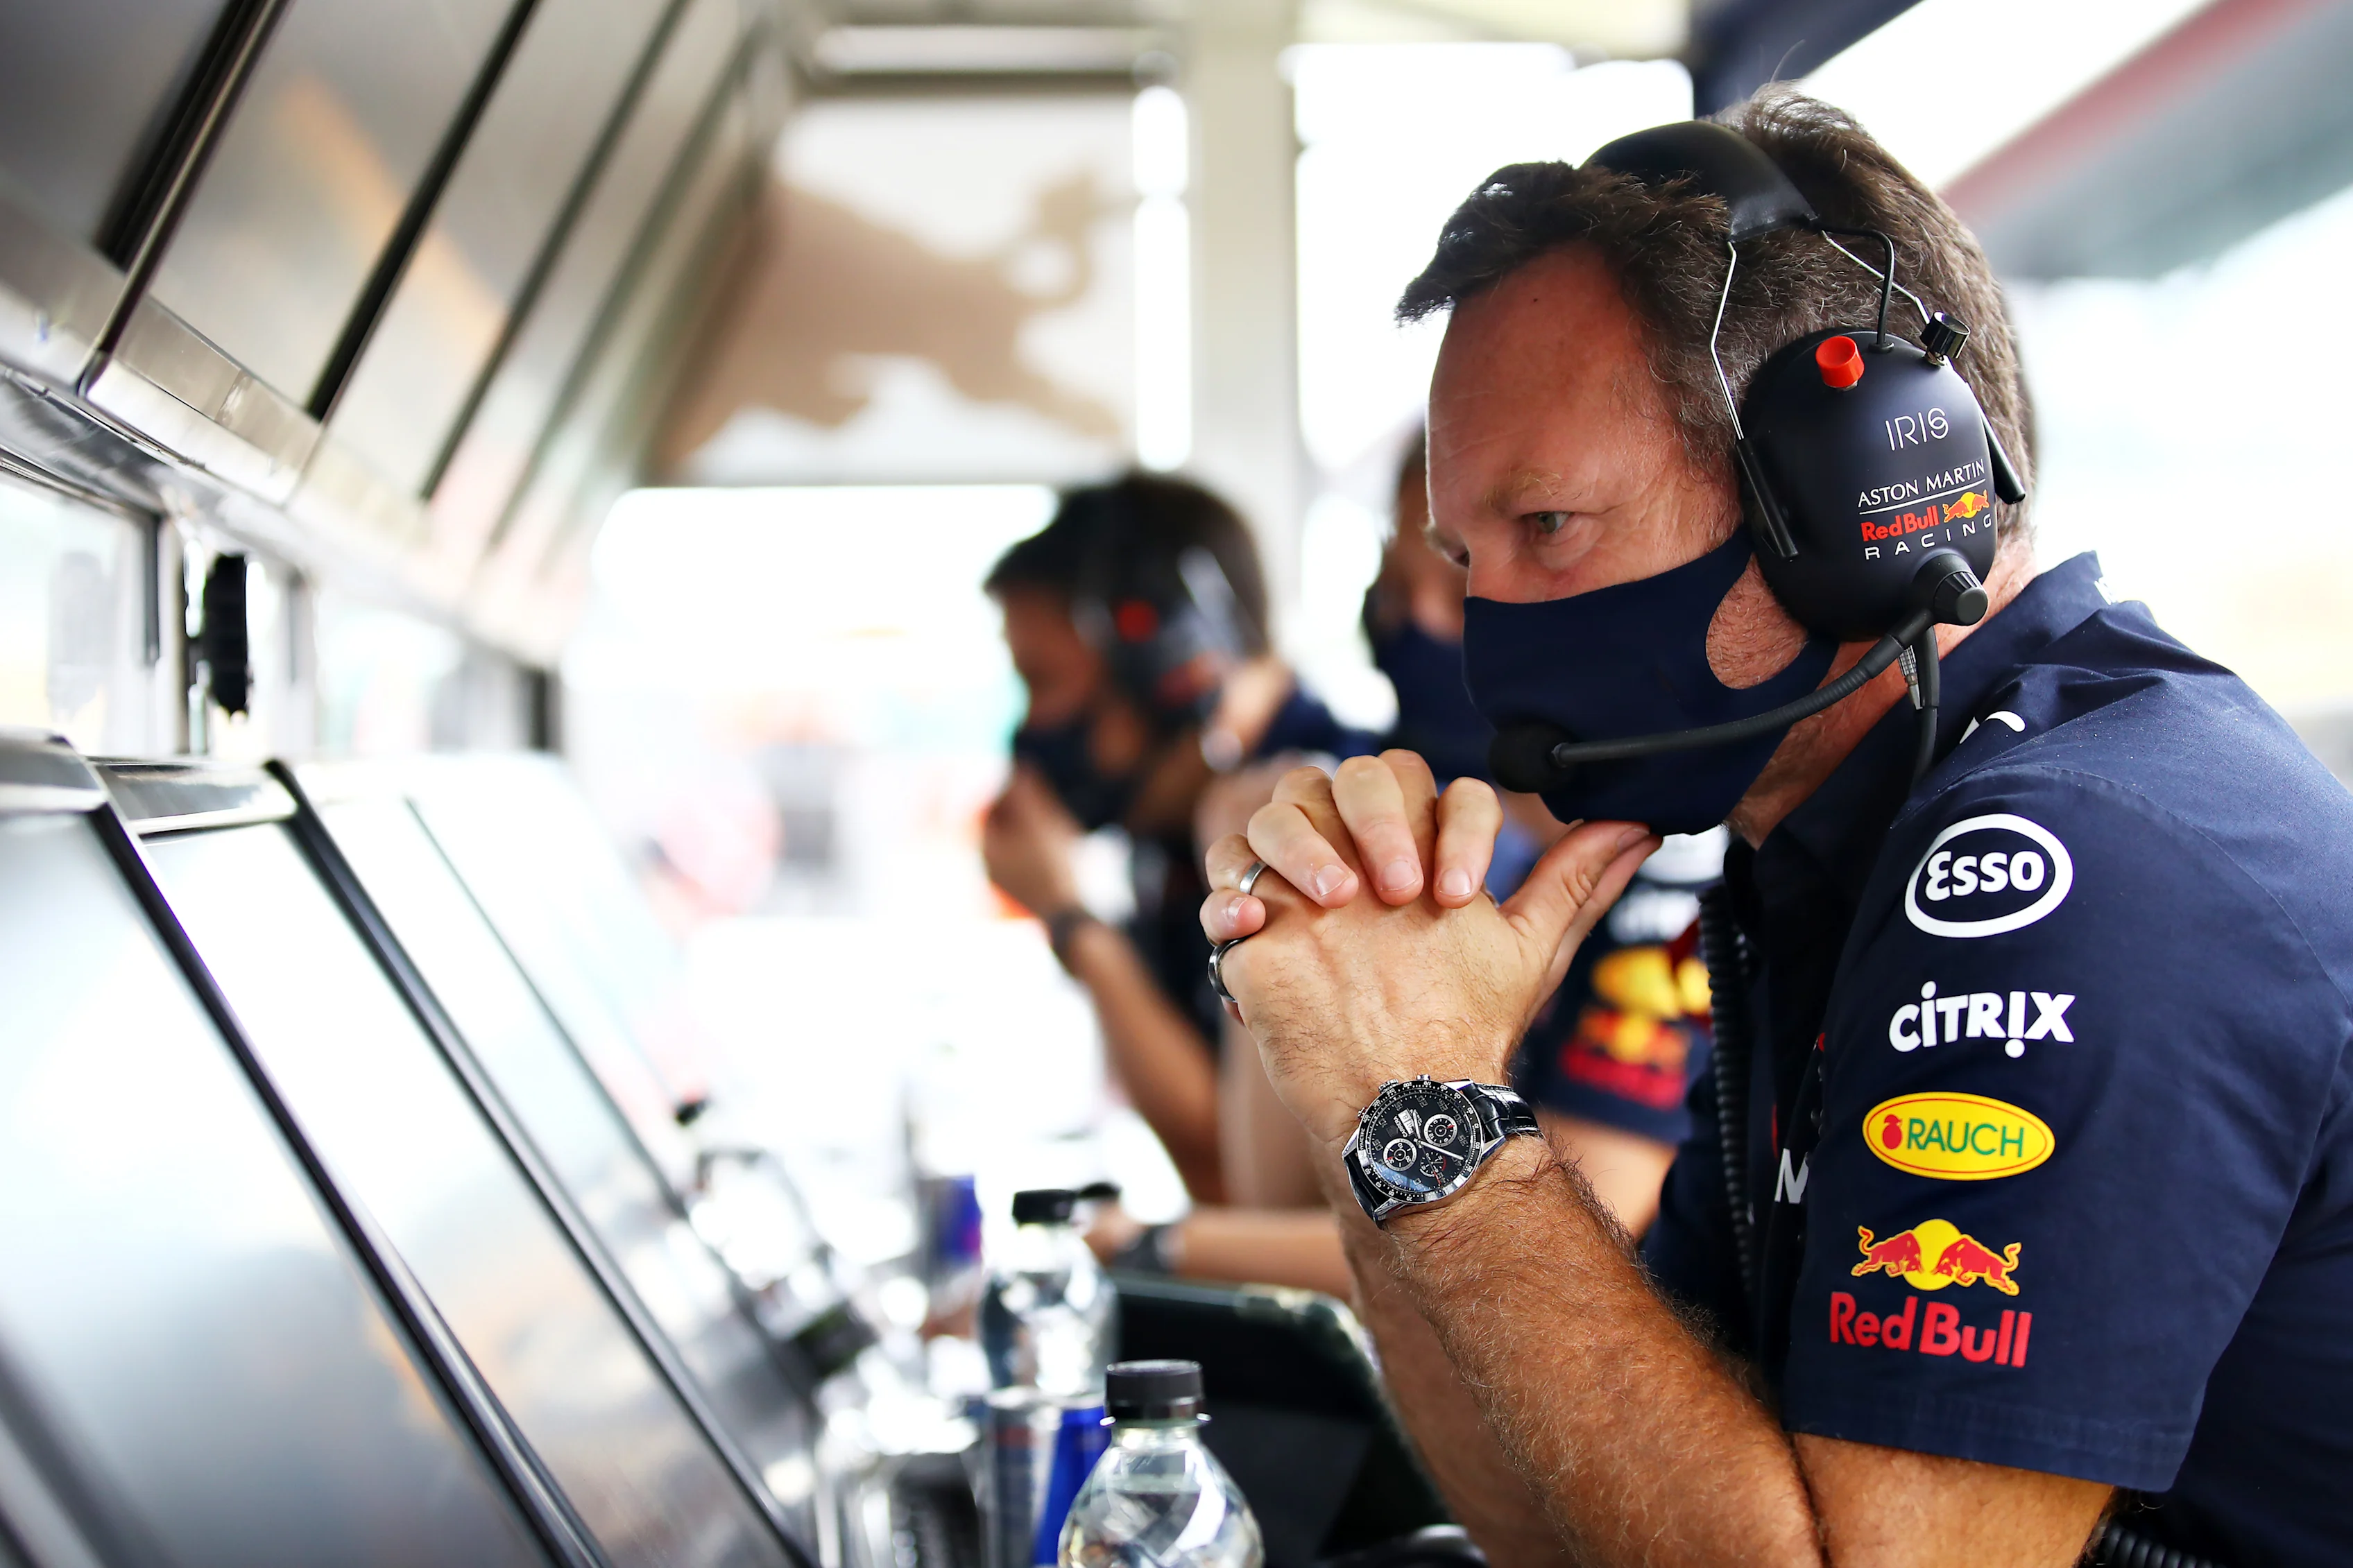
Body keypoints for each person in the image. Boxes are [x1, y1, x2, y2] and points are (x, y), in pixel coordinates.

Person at [1196, 89, 2352, 1568]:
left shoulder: (2074, 869)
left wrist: (1433, 1108)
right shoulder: (1816, 858)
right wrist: (1377, 1111)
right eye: (1462, 560)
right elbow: (1553, 1524)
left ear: (1864, 481)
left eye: (1546, 528)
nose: (1491, 636)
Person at [982, 472, 1371, 1292]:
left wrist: (1070, 920)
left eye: (1044, 681)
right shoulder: (1168, 841)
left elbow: (1237, 1183)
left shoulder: (1324, 831)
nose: (1031, 731)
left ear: (1170, 662)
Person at [1376, 431, 1722, 1236]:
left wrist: (1154, 1241)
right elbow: (1284, 1189)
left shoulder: (1675, 854)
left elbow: (1570, 1235)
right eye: (1397, 588)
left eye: (1456, 573)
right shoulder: (1423, 838)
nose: (1421, 619)